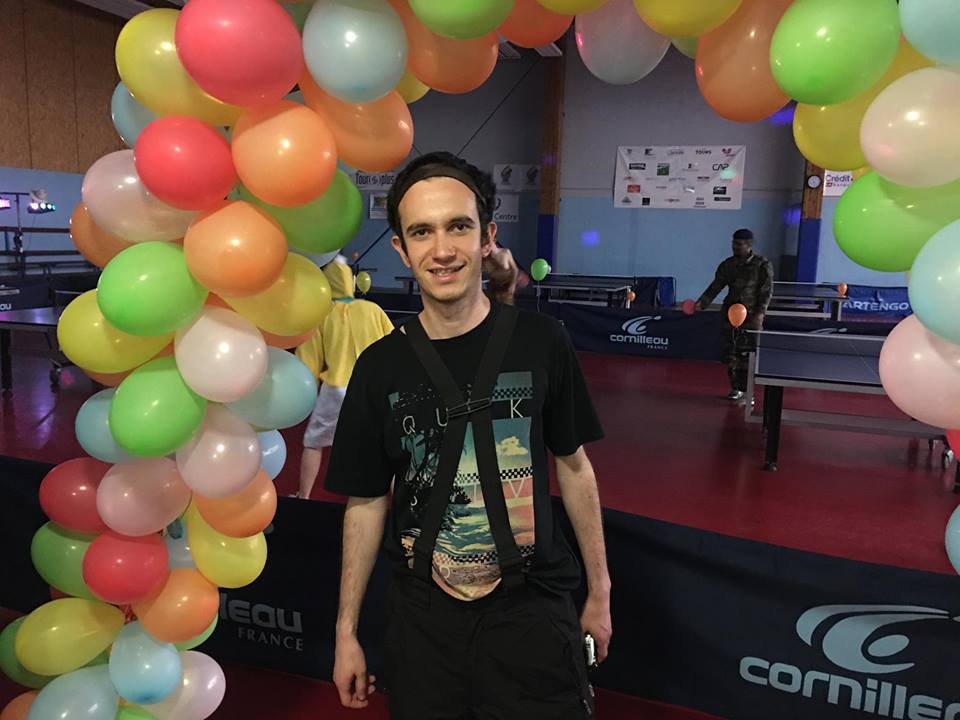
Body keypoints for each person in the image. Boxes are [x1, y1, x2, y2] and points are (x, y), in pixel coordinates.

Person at [325, 151, 612, 719]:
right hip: (422, 623)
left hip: (532, 611)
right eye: (422, 232)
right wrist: (345, 631)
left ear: (487, 237)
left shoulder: (543, 342)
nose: (443, 249)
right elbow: (366, 502)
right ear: (401, 249)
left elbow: (574, 467)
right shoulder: (379, 367)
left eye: (458, 226)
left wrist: (600, 592)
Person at [294, 257, 394, 499]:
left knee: (314, 443)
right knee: (387, 448)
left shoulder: (321, 315)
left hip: (336, 389)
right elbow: (394, 346)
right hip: (374, 389)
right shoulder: (373, 310)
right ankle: (400, 501)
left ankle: (304, 496)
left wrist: (304, 392)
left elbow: (309, 360)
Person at [696, 228, 774, 401]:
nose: (735, 247)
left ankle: (748, 392)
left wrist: (760, 314)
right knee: (731, 354)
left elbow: (766, 291)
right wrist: (702, 303)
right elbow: (716, 286)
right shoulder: (727, 265)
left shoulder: (762, 264)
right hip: (730, 315)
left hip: (751, 316)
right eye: (733, 243)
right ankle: (735, 388)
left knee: (748, 356)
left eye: (739, 244)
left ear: (749, 245)